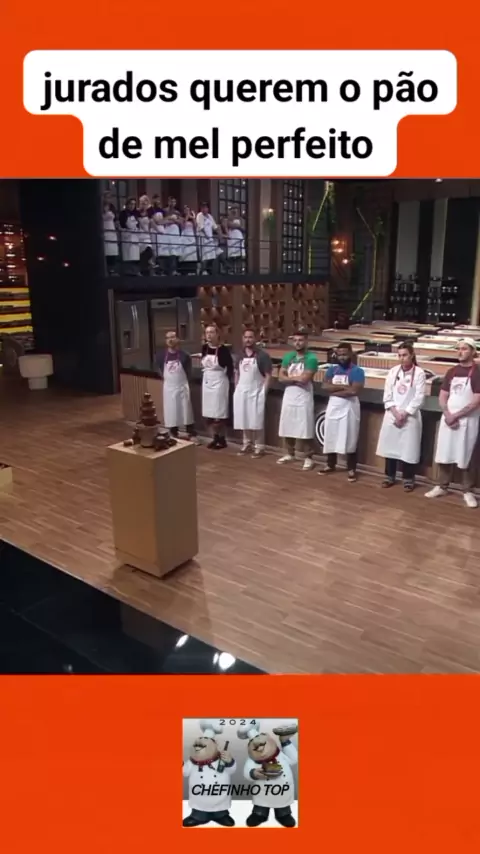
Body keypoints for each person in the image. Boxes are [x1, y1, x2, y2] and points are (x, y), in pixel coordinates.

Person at [425, 338, 480, 508]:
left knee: (466, 454)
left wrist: (457, 416)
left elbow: (476, 401)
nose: (460, 352)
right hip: (448, 419)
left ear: (473, 351)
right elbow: (443, 396)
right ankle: (442, 486)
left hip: (468, 420)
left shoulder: (478, 372)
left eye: (464, 349)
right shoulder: (451, 371)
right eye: (458, 349)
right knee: (445, 451)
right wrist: (448, 414)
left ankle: (468, 491)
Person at [376, 341, 426, 491]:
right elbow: (387, 394)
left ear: (412, 355)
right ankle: (389, 476)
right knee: (390, 447)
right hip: (392, 414)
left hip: (410, 416)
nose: (402, 358)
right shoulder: (393, 371)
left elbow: (419, 397)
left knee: (408, 449)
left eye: (405, 355)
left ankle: (409, 479)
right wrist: (395, 412)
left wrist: (404, 413)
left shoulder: (419, 373)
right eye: (399, 355)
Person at [320, 342, 365, 482]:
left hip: (349, 407)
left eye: (345, 354)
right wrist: (343, 387)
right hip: (334, 406)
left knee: (350, 436)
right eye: (339, 355)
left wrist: (334, 390)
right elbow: (324, 386)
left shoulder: (358, 371)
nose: (342, 357)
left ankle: (351, 468)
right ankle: (330, 464)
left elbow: (354, 391)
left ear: (350, 354)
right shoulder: (332, 370)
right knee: (331, 434)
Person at [277, 329, 318, 471]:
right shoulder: (288, 357)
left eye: (300, 340)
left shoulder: (311, 358)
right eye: (295, 340)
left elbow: (305, 379)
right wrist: (295, 379)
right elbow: (280, 377)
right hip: (289, 395)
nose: (297, 343)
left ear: (306, 341)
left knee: (305, 426)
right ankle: (290, 453)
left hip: (303, 396)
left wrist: (288, 378)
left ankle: (308, 457)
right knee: (287, 424)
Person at [233, 329, 272, 457]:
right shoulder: (239, 355)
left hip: (256, 391)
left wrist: (264, 392)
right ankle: (247, 444)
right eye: (246, 337)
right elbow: (237, 373)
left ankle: (259, 446)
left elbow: (268, 375)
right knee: (244, 417)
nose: (248, 340)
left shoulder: (262, 356)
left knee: (257, 419)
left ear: (255, 339)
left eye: (250, 337)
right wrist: (236, 388)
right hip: (242, 391)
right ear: (242, 339)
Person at [156, 330, 198, 443]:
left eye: (173, 337)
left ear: (178, 339)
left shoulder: (185, 356)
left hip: (182, 386)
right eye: (168, 338)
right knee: (171, 410)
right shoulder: (160, 356)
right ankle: (173, 433)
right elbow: (159, 370)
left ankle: (191, 433)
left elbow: (189, 372)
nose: (170, 340)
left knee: (186, 411)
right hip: (169, 387)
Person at [201, 324, 234, 449]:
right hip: (207, 382)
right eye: (207, 332)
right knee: (210, 412)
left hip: (220, 382)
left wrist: (226, 380)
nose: (209, 335)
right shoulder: (204, 348)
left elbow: (230, 367)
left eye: (211, 332)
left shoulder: (223, 350)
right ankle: (215, 437)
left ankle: (222, 438)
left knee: (220, 412)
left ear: (217, 334)